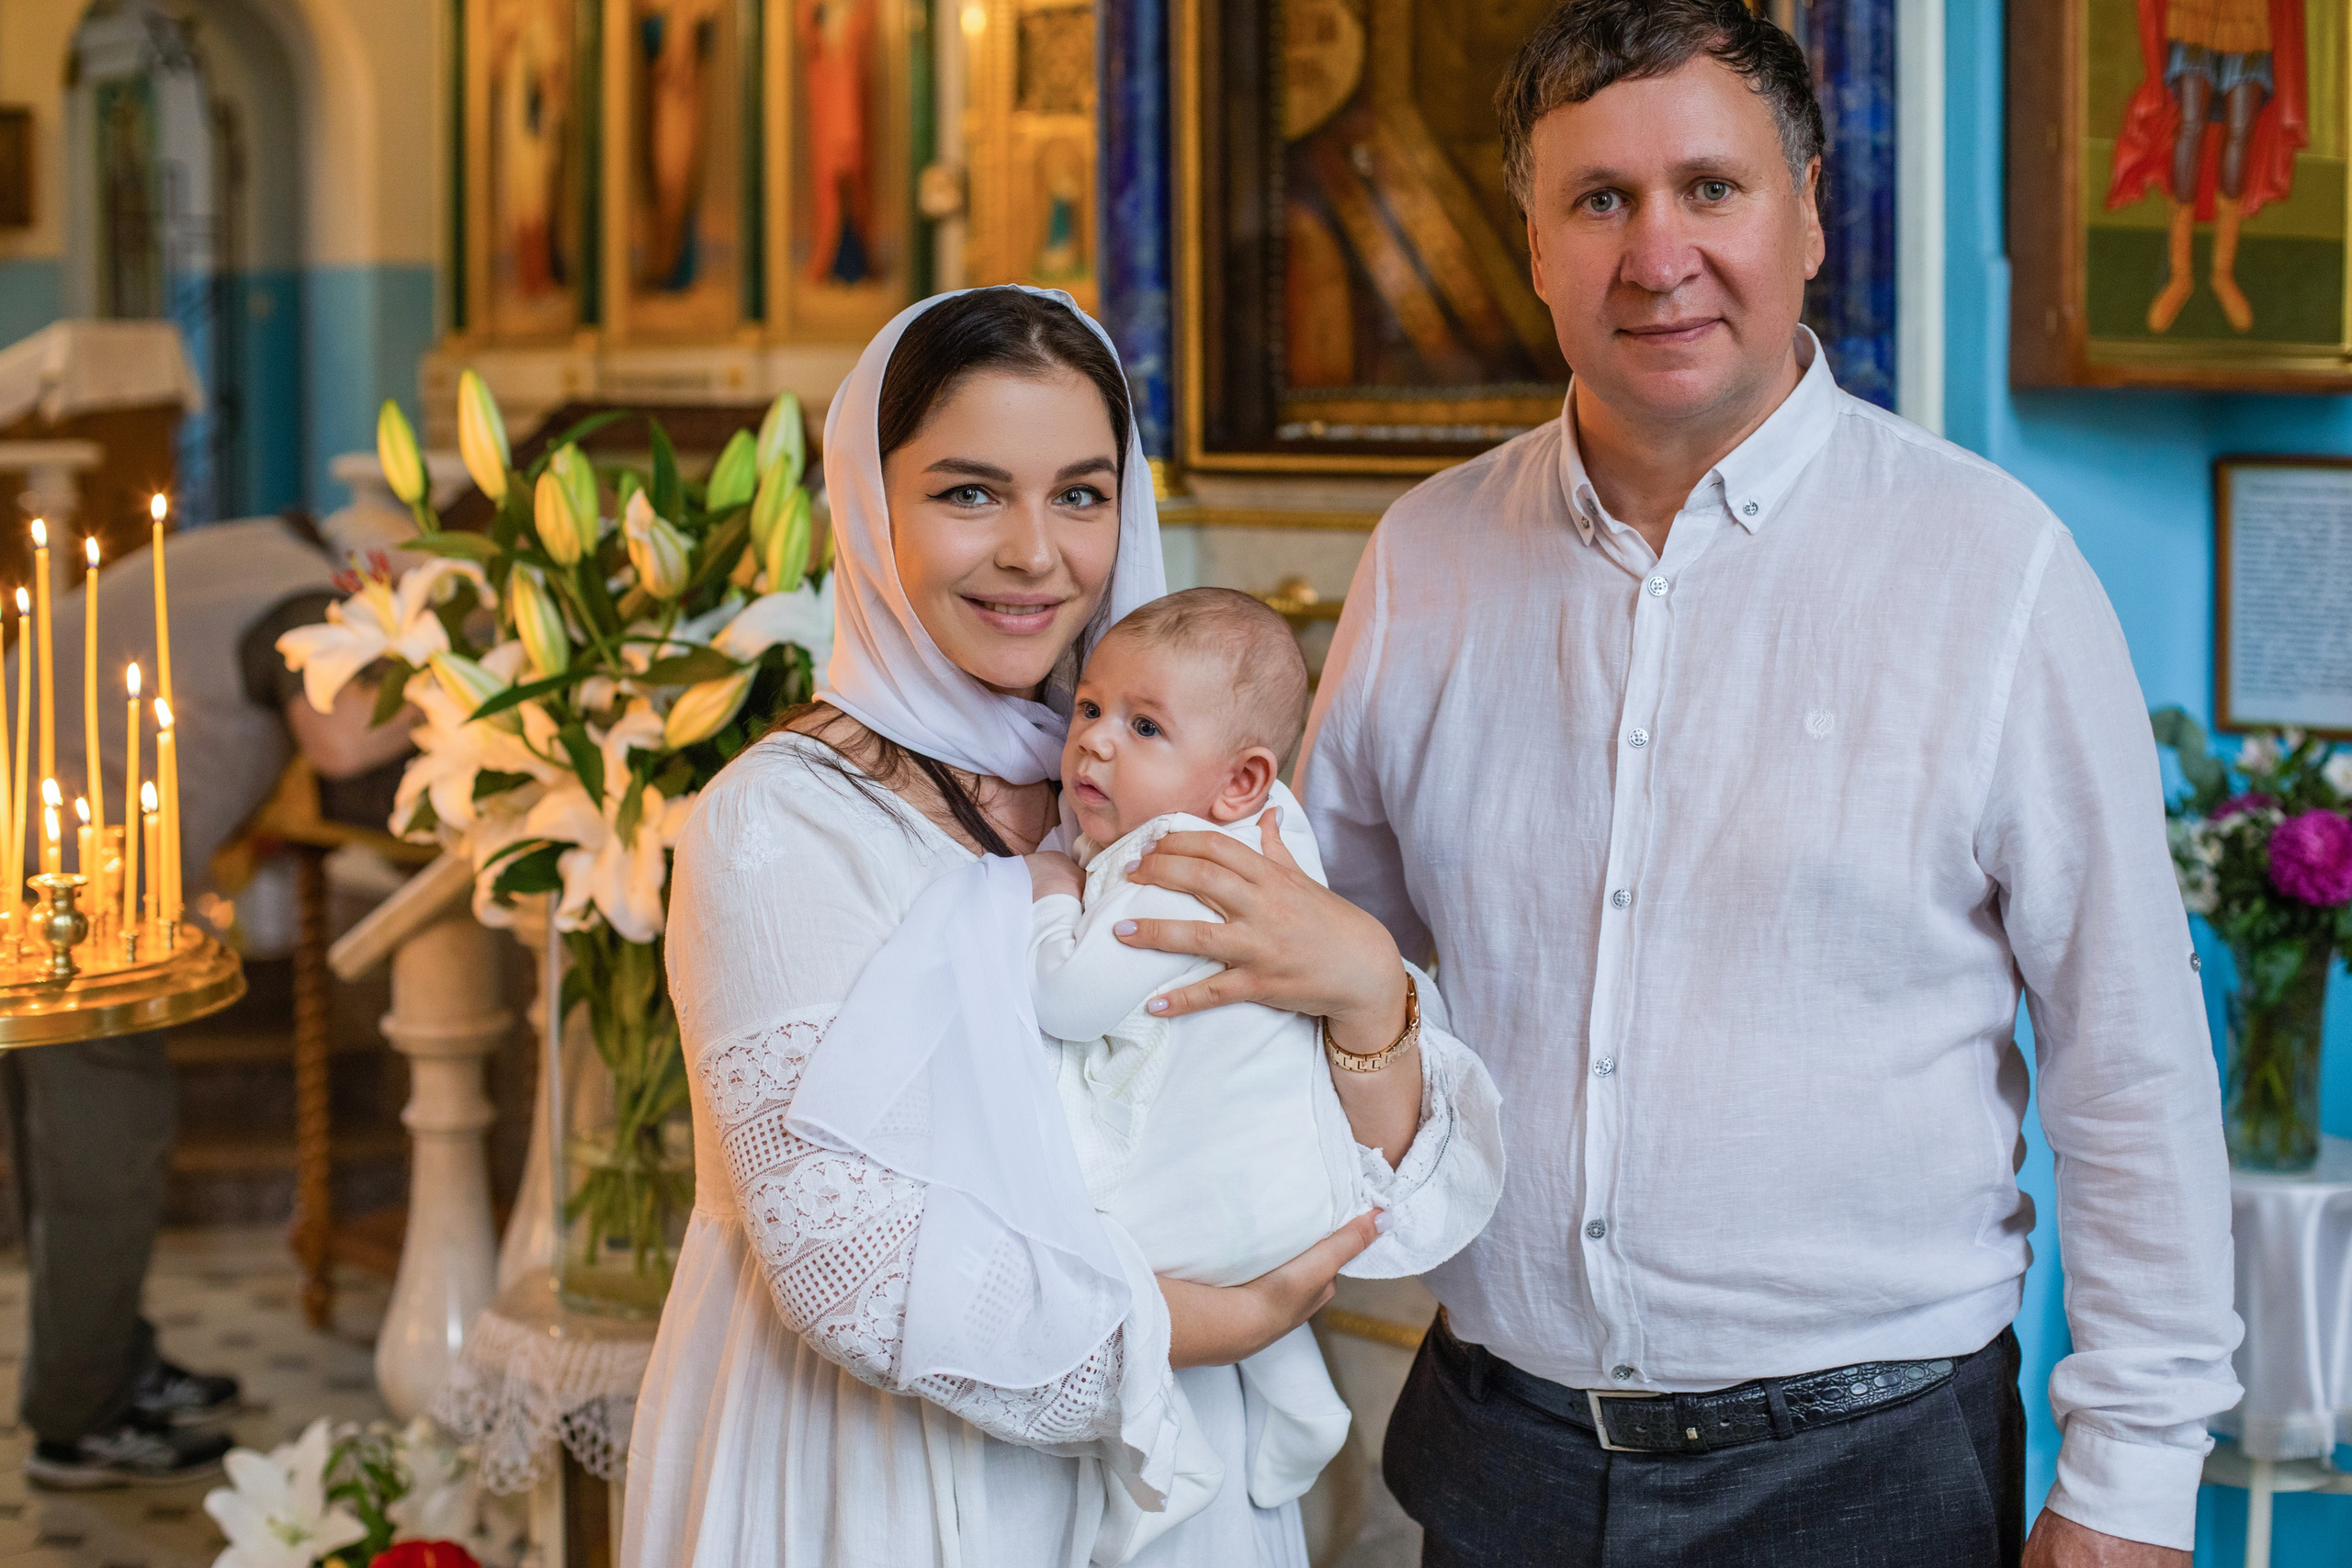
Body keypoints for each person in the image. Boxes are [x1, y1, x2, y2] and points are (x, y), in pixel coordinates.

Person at [1117, 4, 2241, 1565]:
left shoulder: (1994, 572)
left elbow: (2128, 1050)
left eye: (1710, 187)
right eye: (1601, 199)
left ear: (1808, 214)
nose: (1659, 255)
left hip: (1870, 1474)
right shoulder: (1424, 561)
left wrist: (2132, 1474)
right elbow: (1311, 973)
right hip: (1497, 1460)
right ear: (1533, 246)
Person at [621, 286, 1503, 1566]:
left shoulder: (1152, 789)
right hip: (893, 1469)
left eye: (1081, 495)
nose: (1036, 553)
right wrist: (1218, 1320)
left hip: (1183, 1473)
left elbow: (1352, 1162)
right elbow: (848, 1270)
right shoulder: (781, 822)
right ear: (868, 505)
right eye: (969, 493)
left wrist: (1369, 990)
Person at [1025, 587, 1499, 1561]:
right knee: (1241, 1282)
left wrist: (1047, 897)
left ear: (1240, 779)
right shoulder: (1269, 825)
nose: (1095, 741)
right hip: (1285, 1190)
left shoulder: (1180, 864)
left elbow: (1068, 1000)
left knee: (1080, 1233)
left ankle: (1168, 1463)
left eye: (1144, 726)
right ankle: (1306, 1406)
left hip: (1221, 1194)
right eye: (1091, 707)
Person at [3, 508, 419, 1487]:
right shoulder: (299, 600)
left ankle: (112, 1363)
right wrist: (448, 688)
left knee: (69, 1147)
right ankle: (80, 1422)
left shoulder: (247, 549)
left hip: (43, 856)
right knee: (108, 1148)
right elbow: (342, 740)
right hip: (66, 894)